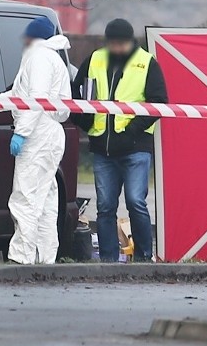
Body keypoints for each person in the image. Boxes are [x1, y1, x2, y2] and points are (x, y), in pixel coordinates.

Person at [71, 19, 167, 262]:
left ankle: (145, 258)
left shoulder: (146, 63)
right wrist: (85, 122)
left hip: (136, 148)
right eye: (112, 43)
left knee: (136, 202)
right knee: (105, 208)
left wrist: (131, 131)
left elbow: (158, 103)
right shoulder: (94, 59)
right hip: (103, 148)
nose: (116, 48)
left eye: (120, 44)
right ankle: (108, 261)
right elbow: (75, 95)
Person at [6, 16, 72, 264]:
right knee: (45, 200)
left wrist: (22, 132)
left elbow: (36, 99)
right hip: (51, 131)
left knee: (25, 196)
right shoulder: (52, 58)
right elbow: (20, 94)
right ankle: (45, 258)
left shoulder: (39, 57)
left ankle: (21, 258)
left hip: (38, 133)